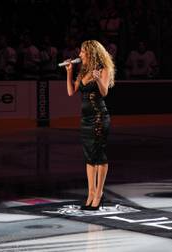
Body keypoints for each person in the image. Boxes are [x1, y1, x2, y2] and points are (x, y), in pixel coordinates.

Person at [65, 40, 115, 210]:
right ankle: (91, 193)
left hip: (99, 117)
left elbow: (104, 92)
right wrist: (70, 72)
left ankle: (99, 194)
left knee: (99, 154)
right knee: (89, 156)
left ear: (91, 53)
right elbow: (71, 92)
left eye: (83, 52)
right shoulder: (82, 71)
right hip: (85, 120)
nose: (79, 55)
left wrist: (98, 79)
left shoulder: (103, 69)